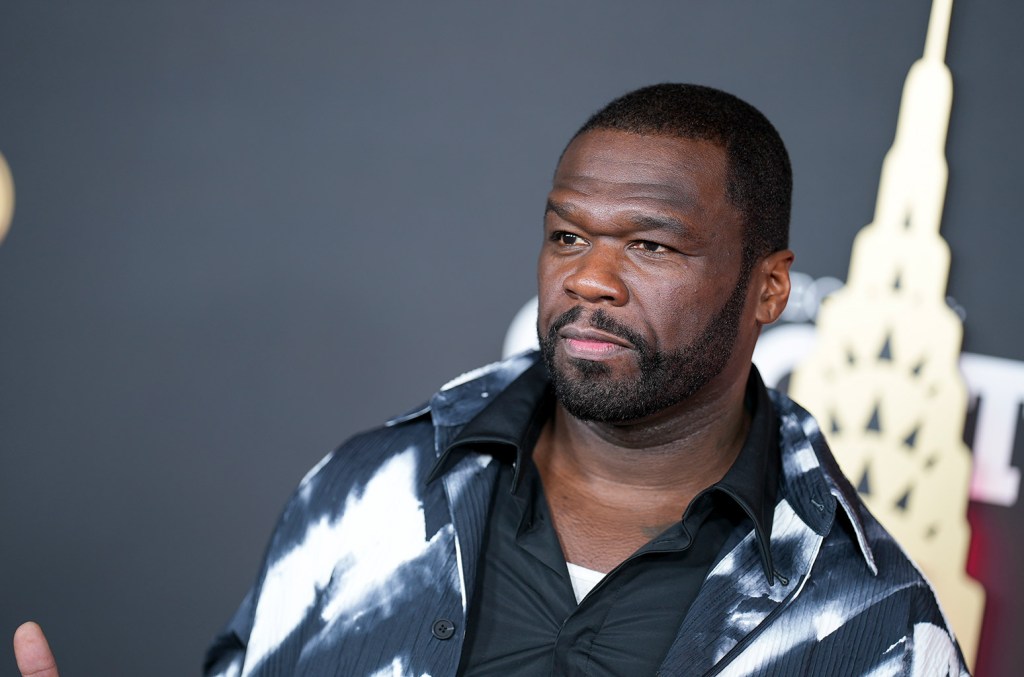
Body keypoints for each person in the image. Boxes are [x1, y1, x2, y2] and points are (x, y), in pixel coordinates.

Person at [13, 84, 968, 676]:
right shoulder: (367, 497)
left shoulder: (874, 626)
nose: (589, 278)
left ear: (769, 288)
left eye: (649, 244)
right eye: (567, 236)